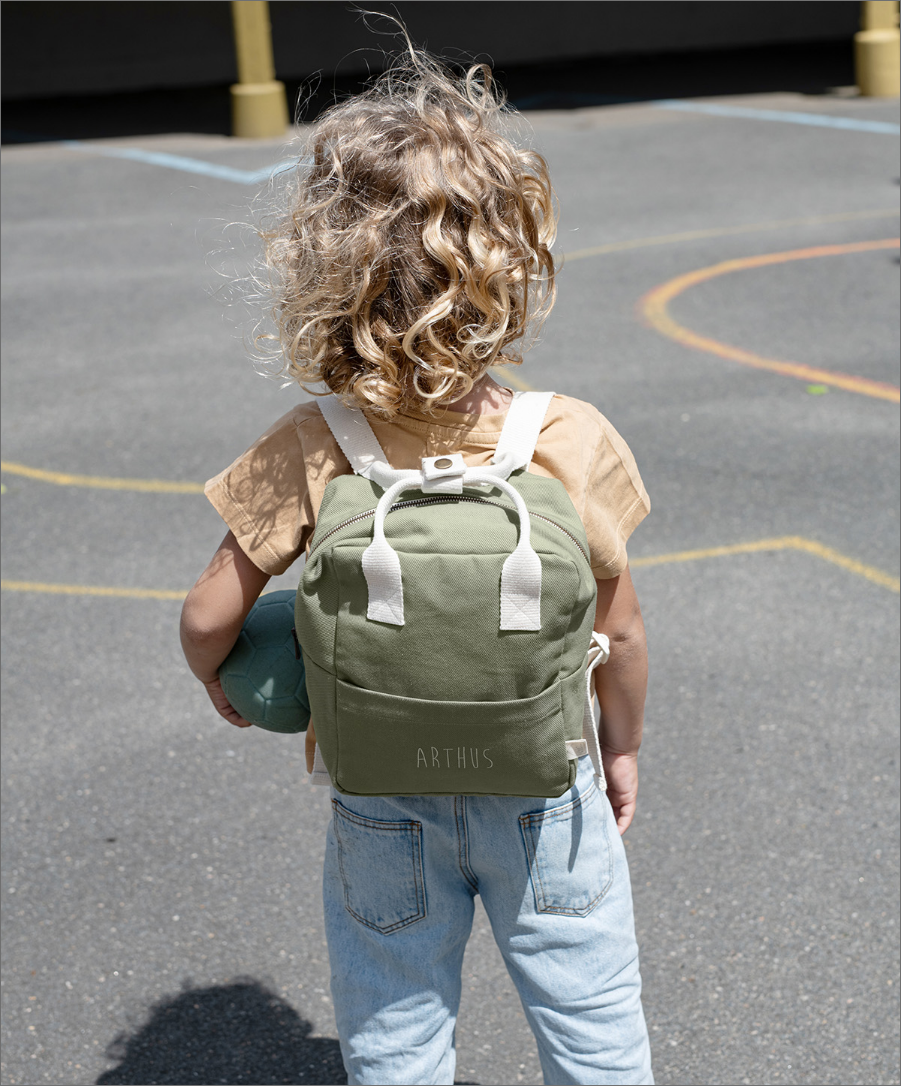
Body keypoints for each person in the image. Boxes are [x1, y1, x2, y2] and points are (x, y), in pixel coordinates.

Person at [180, 49, 653, 1086]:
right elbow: (620, 631)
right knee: (592, 1025)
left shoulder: (314, 441)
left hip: (379, 788)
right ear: (508, 259)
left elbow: (209, 610)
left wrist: (217, 675)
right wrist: (617, 749)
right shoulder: (563, 434)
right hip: (544, 778)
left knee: (395, 1026)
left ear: (326, 266)